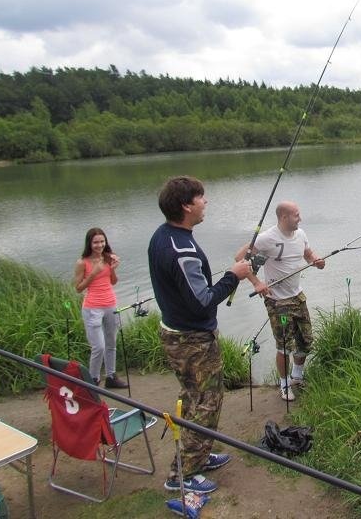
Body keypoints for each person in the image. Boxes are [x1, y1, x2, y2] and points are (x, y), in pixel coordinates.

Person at [148, 176, 252, 495]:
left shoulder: (164, 235)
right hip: (192, 341)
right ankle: (183, 474)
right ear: (186, 205)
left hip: (177, 332)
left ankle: (199, 455)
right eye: (201, 197)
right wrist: (234, 276)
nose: (206, 202)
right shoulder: (182, 250)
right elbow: (202, 301)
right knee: (206, 401)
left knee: (193, 397)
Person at [237, 201, 325, 401]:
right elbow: (239, 259)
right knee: (284, 345)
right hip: (277, 302)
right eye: (296, 215)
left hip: (298, 297)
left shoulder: (301, 234)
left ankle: (297, 377)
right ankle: (284, 385)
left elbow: (308, 254)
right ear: (284, 217)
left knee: (306, 340)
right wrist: (256, 283)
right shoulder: (267, 238)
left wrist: (316, 261)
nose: (300, 218)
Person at [73, 227, 128, 389]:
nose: (99, 245)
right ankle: (93, 379)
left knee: (111, 343)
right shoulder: (82, 263)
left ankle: (111, 377)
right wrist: (93, 273)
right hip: (92, 308)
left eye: (102, 241)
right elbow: (78, 288)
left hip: (110, 304)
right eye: (96, 242)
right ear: (89, 243)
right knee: (98, 347)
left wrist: (112, 269)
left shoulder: (108, 258)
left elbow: (113, 282)